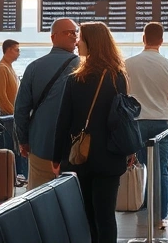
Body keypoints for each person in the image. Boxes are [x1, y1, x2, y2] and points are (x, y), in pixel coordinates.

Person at [52, 22, 131, 243]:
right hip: (110, 155)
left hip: (80, 157)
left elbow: (63, 121)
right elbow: (122, 118)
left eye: (81, 38)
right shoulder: (117, 76)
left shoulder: (75, 79)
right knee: (106, 216)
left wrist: (56, 157)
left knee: (87, 215)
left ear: (92, 43)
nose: (77, 43)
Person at [124, 22, 168, 229]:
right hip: (161, 124)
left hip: (135, 123)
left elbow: (122, 96)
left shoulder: (128, 63)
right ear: (162, 40)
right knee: (161, 170)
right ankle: (160, 216)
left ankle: (141, 207)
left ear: (143, 38)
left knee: (140, 167)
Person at [15, 18, 81, 190]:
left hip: (40, 144)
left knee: (38, 197)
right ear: (53, 37)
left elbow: (21, 110)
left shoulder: (34, 68)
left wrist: (23, 141)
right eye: (69, 33)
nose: (74, 37)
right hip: (75, 149)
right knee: (73, 200)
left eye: (76, 32)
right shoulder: (83, 67)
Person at [0, 39, 26, 186]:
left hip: (12, 117)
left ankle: (15, 177)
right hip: (7, 119)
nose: (19, 53)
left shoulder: (9, 68)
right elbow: (1, 99)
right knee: (10, 150)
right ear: (8, 50)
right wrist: (16, 114)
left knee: (15, 151)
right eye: (16, 50)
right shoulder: (1, 69)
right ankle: (9, 179)